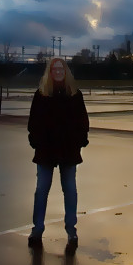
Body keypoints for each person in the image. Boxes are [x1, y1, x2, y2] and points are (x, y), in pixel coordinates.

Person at [27, 57, 89, 253]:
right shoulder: (41, 95)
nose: (58, 71)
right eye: (55, 69)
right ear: (50, 72)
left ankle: (71, 231)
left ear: (66, 71)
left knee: (70, 190)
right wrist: (35, 141)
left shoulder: (75, 95)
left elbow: (83, 121)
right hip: (45, 151)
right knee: (41, 190)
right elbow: (33, 121)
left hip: (68, 151)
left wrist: (80, 142)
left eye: (61, 68)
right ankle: (37, 229)